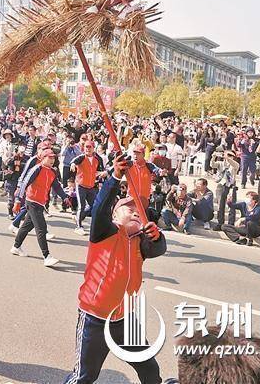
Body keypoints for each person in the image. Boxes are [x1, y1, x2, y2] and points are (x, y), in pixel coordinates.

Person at [64, 154, 165, 384]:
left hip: (124, 319)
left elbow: (158, 249)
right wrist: (114, 177)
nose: (136, 213)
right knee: (84, 377)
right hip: (95, 318)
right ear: (115, 215)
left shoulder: (139, 241)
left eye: (139, 212)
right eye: (129, 210)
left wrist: (157, 238)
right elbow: (99, 208)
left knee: (149, 369)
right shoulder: (104, 233)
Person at [10, 148, 67, 267]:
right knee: (41, 228)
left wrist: (65, 197)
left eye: (53, 158)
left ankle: (16, 246)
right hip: (32, 201)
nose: (52, 160)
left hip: (41, 203)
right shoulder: (37, 169)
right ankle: (47, 256)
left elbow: (56, 186)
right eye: (49, 157)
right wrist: (17, 201)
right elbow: (25, 183)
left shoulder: (52, 172)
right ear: (42, 158)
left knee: (26, 226)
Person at [70, 139, 106, 235]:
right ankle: (79, 227)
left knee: (94, 206)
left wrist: (101, 174)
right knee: (81, 206)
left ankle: (79, 218)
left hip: (91, 186)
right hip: (81, 185)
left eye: (90, 147)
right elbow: (74, 161)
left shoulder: (97, 160)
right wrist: (73, 165)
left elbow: (98, 171)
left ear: (94, 149)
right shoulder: (82, 157)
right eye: (86, 147)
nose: (88, 149)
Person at [210, 149, 239, 231]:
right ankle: (220, 223)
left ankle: (230, 224)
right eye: (228, 155)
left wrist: (228, 158)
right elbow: (212, 165)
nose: (229, 157)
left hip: (230, 186)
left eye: (231, 155)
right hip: (221, 185)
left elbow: (235, 165)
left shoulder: (234, 164)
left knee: (231, 205)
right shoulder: (220, 163)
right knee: (220, 205)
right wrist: (213, 156)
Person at [2, 145, 25, 218]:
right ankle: (10, 213)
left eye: (22, 152)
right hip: (12, 180)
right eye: (20, 152)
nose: (21, 154)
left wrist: (20, 164)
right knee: (11, 198)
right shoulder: (12, 159)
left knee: (21, 198)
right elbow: (6, 166)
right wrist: (13, 160)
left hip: (21, 180)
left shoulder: (25, 159)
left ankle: (20, 214)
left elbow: (27, 166)